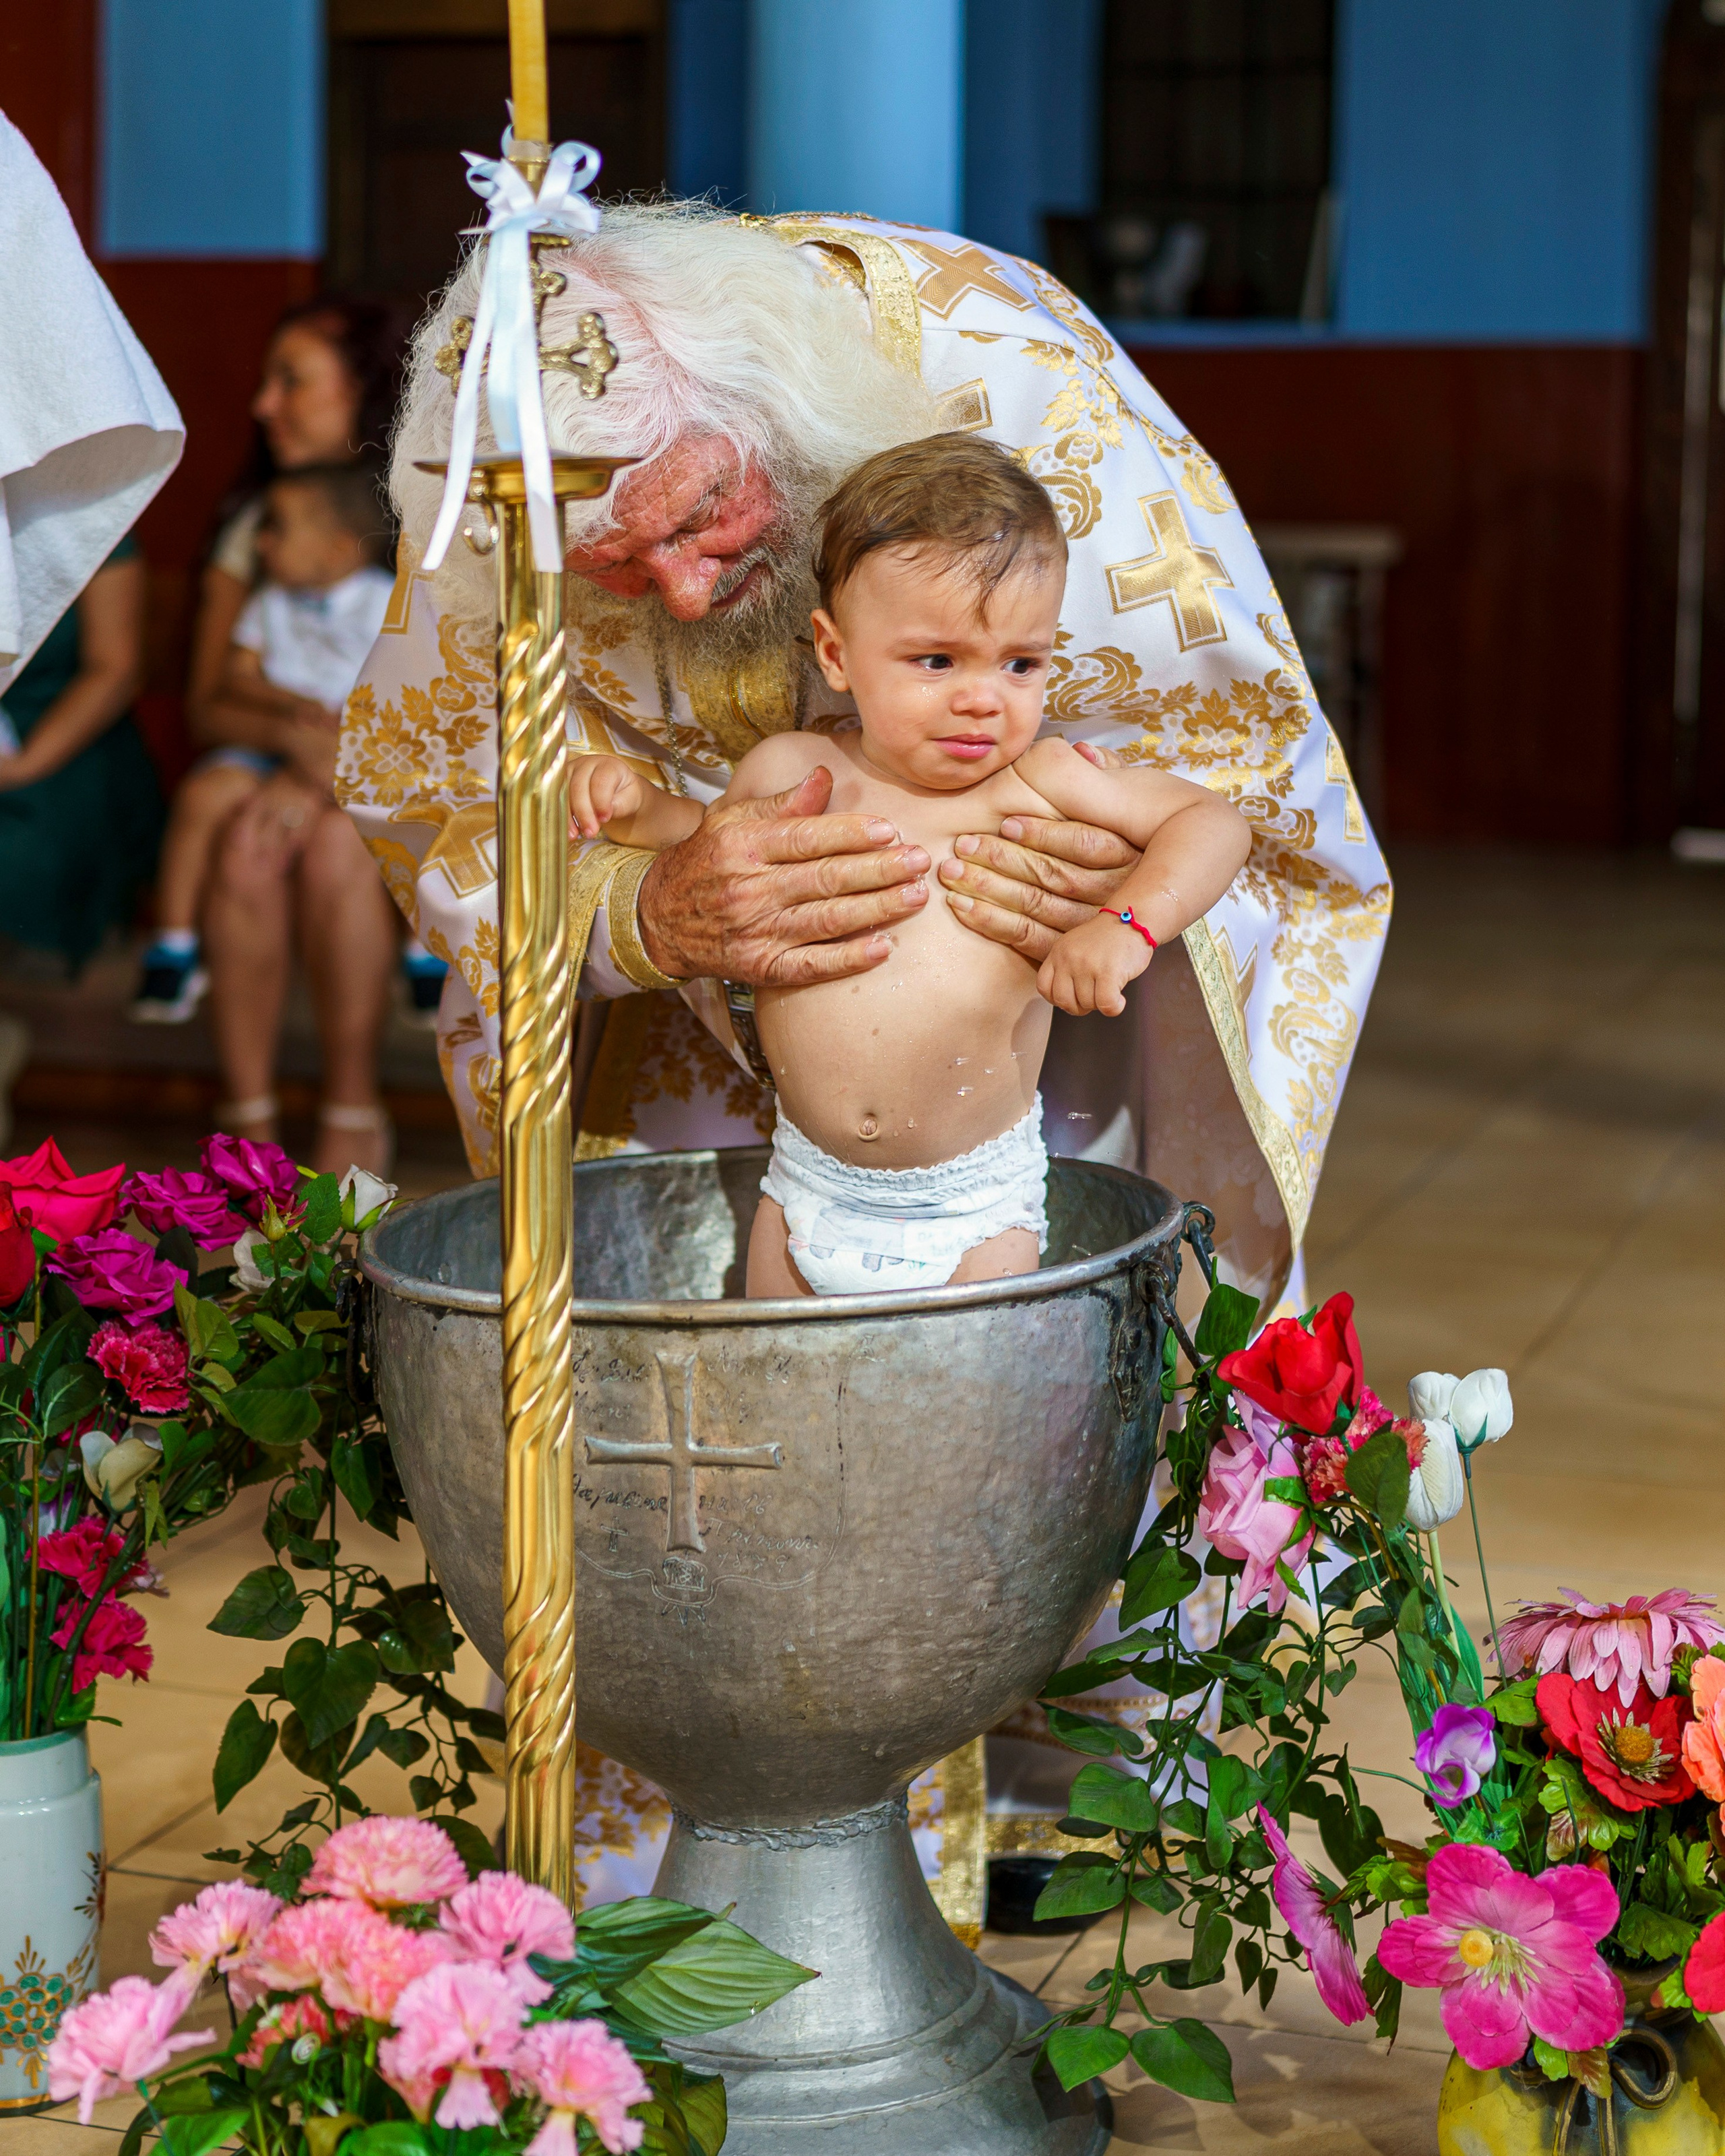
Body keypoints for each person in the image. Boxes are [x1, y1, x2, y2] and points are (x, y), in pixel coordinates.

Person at [342, 199, 1391, 1905]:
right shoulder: (503, 478)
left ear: (763, 407)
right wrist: (638, 902)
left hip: (1029, 1026)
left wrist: (1094, 889)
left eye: (694, 512)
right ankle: (745, 1870)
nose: (680, 588)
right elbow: (439, 793)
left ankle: (1083, 1810)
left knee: (1034, 1428)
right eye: (619, 568)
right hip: (728, 1071)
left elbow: (1236, 767)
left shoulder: (1012, 377)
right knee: (754, 1462)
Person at [570, 434, 1252, 1296]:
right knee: (784, 1408)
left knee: (968, 1420)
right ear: (834, 653)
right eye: (936, 660)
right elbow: (711, 846)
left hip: (971, 1208)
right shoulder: (791, 770)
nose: (982, 696)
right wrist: (637, 808)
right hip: (804, 1186)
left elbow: (1213, 822)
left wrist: (1126, 924)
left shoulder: (1039, 783)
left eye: (1020, 663)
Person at [190, 299, 409, 1174]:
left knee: (337, 848)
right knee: (249, 841)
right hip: (274, 758)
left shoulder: (426, 519)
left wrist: (333, 768)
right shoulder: (259, 528)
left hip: (393, 771)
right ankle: (247, 1116)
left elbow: (463, 696)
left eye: (294, 381)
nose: (264, 405)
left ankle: (352, 1102)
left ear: (365, 392)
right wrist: (298, 745)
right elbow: (211, 701)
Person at [132, 464, 396, 1021]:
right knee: (202, 795)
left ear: (337, 549)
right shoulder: (269, 601)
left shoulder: (383, 601)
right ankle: (173, 947)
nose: (261, 540)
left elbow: (404, 685)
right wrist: (292, 707)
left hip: (361, 749)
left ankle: (429, 951)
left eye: (278, 527)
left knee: (418, 811)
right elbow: (237, 676)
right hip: (275, 743)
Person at [0, 539, 162, 968]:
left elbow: (114, 671)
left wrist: (21, 767)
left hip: (57, 730)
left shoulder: (101, 518)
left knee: (22, 846)